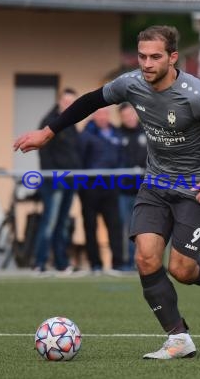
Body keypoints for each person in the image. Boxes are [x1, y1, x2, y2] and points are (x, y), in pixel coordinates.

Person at [14, 25, 200, 359]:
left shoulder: (196, 95)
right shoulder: (131, 84)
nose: (147, 63)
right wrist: (48, 132)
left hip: (196, 188)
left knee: (182, 270)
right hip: (155, 184)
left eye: (155, 56)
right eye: (142, 56)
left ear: (172, 58)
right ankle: (178, 338)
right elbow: (90, 101)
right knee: (145, 258)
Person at [33, 88, 81, 273]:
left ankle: (61, 263)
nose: (69, 105)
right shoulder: (49, 122)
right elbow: (44, 153)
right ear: (59, 101)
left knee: (63, 224)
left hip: (70, 180)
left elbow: (74, 153)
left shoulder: (71, 122)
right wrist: (54, 178)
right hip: (55, 182)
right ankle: (40, 263)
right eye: (66, 101)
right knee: (50, 223)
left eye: (72, 102)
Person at [77, 106, 125, 274]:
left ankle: (117, 264)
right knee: (90, 226)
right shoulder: (85, 135)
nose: (103, 117)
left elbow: (121, 157)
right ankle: (95, 264)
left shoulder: (116, 133)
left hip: (111, 187)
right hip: (90, 188)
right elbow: (80, 161)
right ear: (94, 116)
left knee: (115, 225)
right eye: (99, 114)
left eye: (106, 114)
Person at [118, 102, 147, 270]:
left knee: (144, 229)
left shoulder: (147, 132)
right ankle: (128, 262)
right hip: (123, 190)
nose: (129, 118)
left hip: (144, 190)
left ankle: (145, 262)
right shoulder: (116, 134)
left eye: (131, 114)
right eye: (125, 116)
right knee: (127, 228)